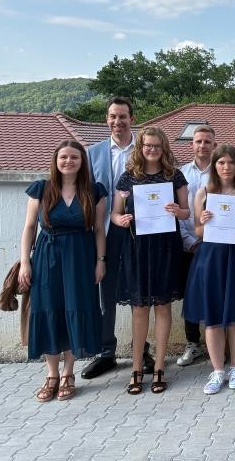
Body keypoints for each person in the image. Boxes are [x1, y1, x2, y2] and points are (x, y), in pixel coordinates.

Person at [19, 141, 107, 402]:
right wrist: (25, 261)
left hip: (81, 256)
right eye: (64, 157)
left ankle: (69, 373)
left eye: (75, 157)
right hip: (47, 257)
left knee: (75, 309)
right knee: (48, 310)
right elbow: (29, 228)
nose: (69, 161)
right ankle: (52, 375)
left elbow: (100, 230)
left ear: (82, 162)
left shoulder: (94, 191)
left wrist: (101, 261)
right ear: (56, 160)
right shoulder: (42, 189)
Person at [184, 145, 235, 395]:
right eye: (221, 163)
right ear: (215, 166)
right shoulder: (203, 193)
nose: (226, 167)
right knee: (213, 318)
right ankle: (217, 370)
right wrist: (206, 222)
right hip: (210, 258)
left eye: (231, 163)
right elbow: (197, 231)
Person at [111, 126, 189, 394]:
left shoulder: (174, 176)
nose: (152, 149)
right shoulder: (127, 178)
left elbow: (187, 212)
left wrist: (178, 211)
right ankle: (135, 369)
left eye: (157, 145)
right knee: (139, 309)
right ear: (140, 147)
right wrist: (120, 220)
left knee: (163, 307)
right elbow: (114, 214)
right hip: (136, 249)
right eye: (147, 145)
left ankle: (159, 368)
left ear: (163, 148)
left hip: (166, 248)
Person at [82, 97, 152, 380]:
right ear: (106, 119)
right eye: (112, 116)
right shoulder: (92, 153)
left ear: (132, 119)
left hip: (141, 230)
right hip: (105, 232)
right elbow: (86, 193)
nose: (117, 121)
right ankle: (106, 352)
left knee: (141, 291)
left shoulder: (147, 149)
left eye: (122, 116)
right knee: (106, 294)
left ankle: (141, 349)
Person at [176, 125, 215, 367]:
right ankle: (193, 344)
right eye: (198, 141)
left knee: (216, 293)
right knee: (189, 296)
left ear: (214, 145)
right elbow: (175, 212)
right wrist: (189, 242)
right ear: (191, 144)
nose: (202, 145)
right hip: (188, 245)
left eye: (207, 142)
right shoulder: (180, 174)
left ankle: (218, 344)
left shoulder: (223, 171)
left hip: (216, 245)